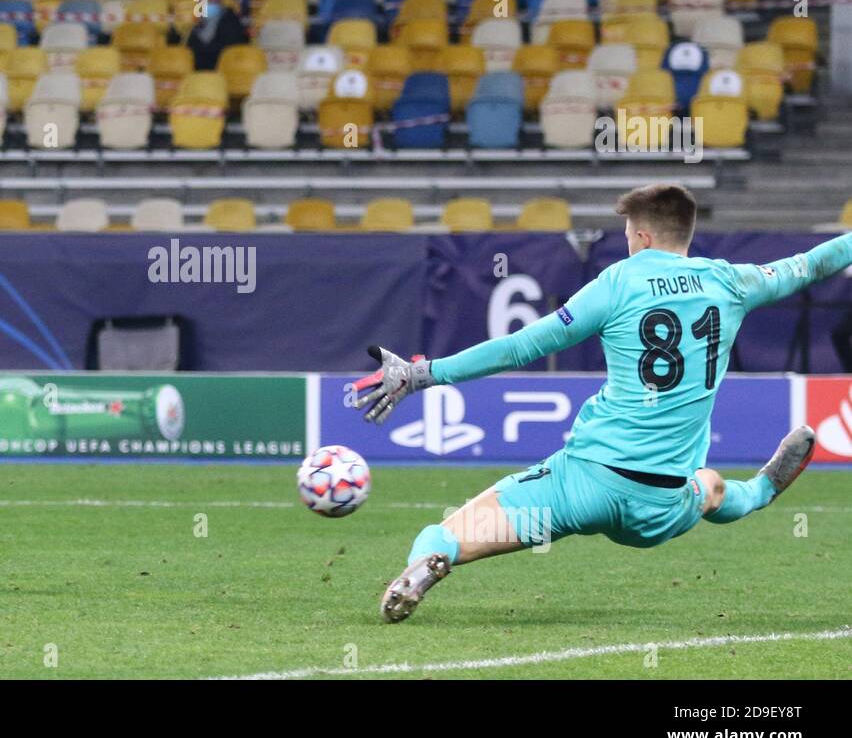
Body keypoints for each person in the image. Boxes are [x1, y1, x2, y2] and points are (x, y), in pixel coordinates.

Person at [352, 183, 831, 623]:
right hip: (660, 507)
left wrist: (423, 373)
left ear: (642, 236)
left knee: (450, 533)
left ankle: (428, 564)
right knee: (711, 488)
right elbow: (813, 263)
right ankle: (763, 491)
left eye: (626, 233)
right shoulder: (733, 282)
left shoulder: (618, 282)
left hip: (582, 488)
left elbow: (520, 347)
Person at [177, 0, 248, 71]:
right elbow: (190, 46)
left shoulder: (230, 19)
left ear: (220, 3)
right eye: (205, 3)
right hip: (199, 69)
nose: (208, 5)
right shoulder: (200, 22)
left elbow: (230, 45)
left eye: (212, 2)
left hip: (223, 66)